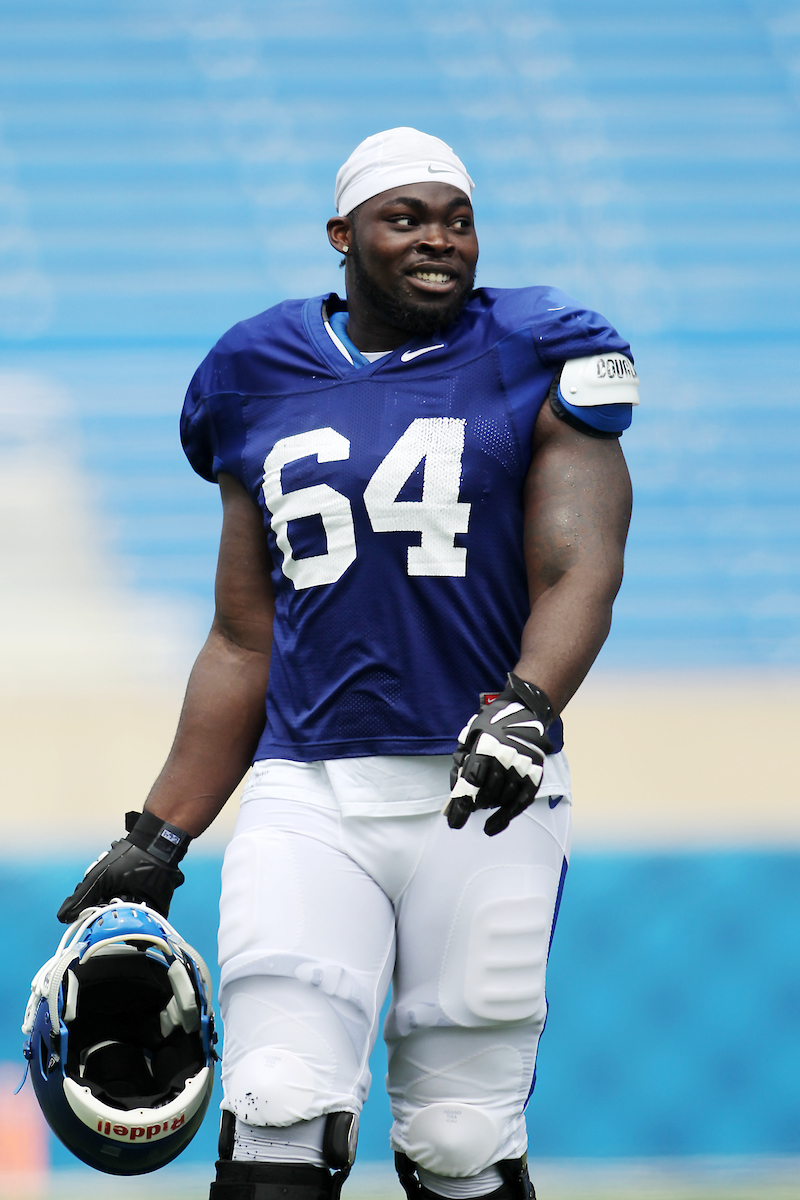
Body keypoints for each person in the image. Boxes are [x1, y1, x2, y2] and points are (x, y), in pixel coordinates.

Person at [58, 128, 636, 1200]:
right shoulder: (252, 372)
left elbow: (580, 568)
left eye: (455, 219)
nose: (438, 241)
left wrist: (524, 708)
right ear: (342, 235)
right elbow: (243, 636)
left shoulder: (538, 347)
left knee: (461, 1137)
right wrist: (157, 833)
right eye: (405, 218)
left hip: (483, 791)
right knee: (276, 1104)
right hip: (308, 786)